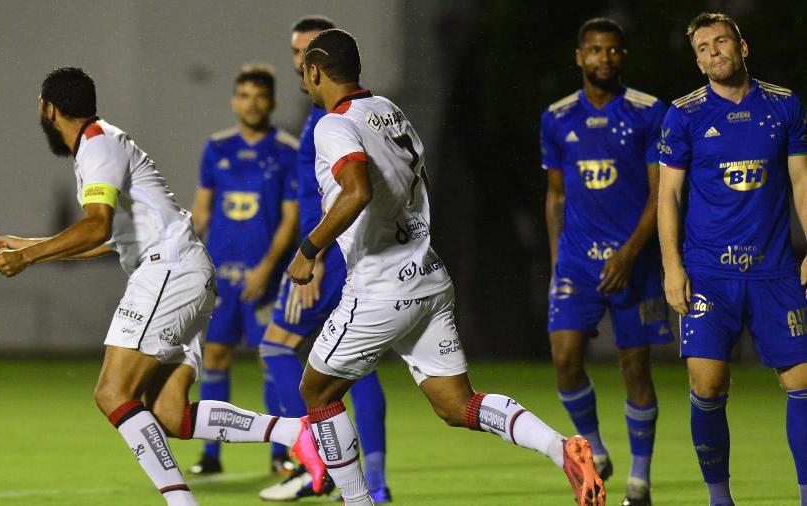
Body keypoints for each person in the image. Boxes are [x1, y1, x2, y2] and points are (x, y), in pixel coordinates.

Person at [285, 28, 603, 506]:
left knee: (316, 392)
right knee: (458, 405)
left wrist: (309, 250)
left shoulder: (334, 125)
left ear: (314, 70)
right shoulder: (388, 111)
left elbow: (357, 189)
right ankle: (562, 450)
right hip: (428, 276)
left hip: (380, 287)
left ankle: (358, 501)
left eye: (304, 71)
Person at [0, 67, 322, 506]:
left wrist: (31, 255)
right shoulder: (102, 143)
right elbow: (109, 239)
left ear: (49, 110)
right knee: (169, 413)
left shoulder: (97, 145)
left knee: (112, 393)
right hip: (187, 273)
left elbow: (95, 226)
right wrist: (33, 246)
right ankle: (293, 432)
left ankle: (180, 502)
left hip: (168, 273)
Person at [657, 12, 807, 506]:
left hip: (775, 270)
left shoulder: (784, 105)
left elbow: (802, 183)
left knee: (804, 381)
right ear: (698, 61)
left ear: (744, 45)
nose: (712, 52)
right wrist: (672, 266)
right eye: (703, 48)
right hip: (707, 273)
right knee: (707, 383)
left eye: (720, 42)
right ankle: (720, 499)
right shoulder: (684, 114)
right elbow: (669, 197)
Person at [257, 16, 391, 502]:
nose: (298, 63)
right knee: (360, 367)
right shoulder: (363, 111)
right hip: (358, 257)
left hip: (330, 255)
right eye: (293, 51)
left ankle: (315, 461)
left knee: (276, 346)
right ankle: (373, 484)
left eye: (305, 54)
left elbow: (334, 195)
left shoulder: (329, 118)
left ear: (322, 64)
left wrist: (311, 256)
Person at [541, 17, 670, 506]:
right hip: (577, 262)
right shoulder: (556, 118)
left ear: (623, 57)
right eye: (594, 50)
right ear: (579, 56)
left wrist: (632, 252)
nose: (604, 59)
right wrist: (558, 264)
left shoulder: (647, 112)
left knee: (635, 369)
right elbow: (555, 196)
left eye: (613, 51)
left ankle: (639, 481)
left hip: (632, 261)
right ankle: (593, 446)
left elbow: (661, 194)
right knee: (564, 360)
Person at [187, 65, 300, 475]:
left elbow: (290, 220)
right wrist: (189, 254)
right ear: (234, 100)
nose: (251, 103)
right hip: (221, 277)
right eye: (244, 95)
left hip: (263, 279)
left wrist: (267, 267)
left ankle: (281, 454)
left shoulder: (287, 151)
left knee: (273, 358)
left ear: (271, 101)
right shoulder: (216, 148)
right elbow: (202, 208)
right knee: (215, 355)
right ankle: (211, 456)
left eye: (259, 96)